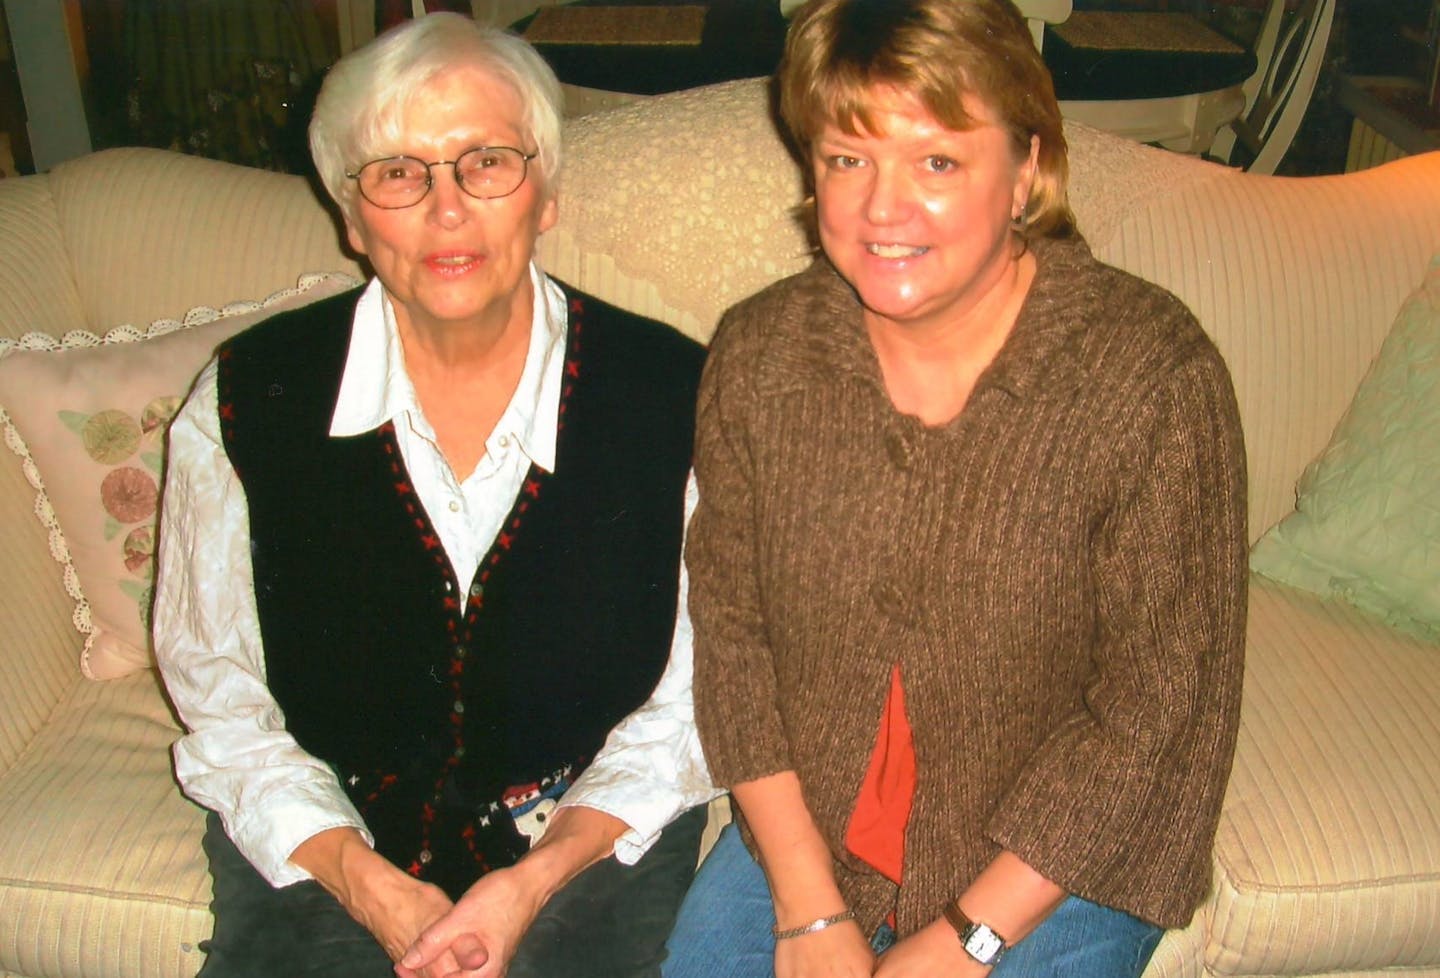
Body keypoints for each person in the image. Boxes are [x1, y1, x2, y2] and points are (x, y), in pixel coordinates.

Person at [664, 1, 1248, 976]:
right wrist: (807, 908)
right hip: (813, 839)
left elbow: (1160, 704)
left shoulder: (1150, 374)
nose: (879, 210)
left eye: (936, 162)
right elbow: (731, 630)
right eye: (848, 158)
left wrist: (969, 938)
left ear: (1026, 168)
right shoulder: (761, 353)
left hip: (1056, 856)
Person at [153, 13, 718, 978]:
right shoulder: (250, 396)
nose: (446, 209)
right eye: (398, 172)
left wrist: (531, 881)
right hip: (327, 824)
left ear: (544, 194)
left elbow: (691, 704)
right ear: (349, 212)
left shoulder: (677, 392)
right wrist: (365, 881)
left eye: (486, 162)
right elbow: (222, 690)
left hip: (589, 826)